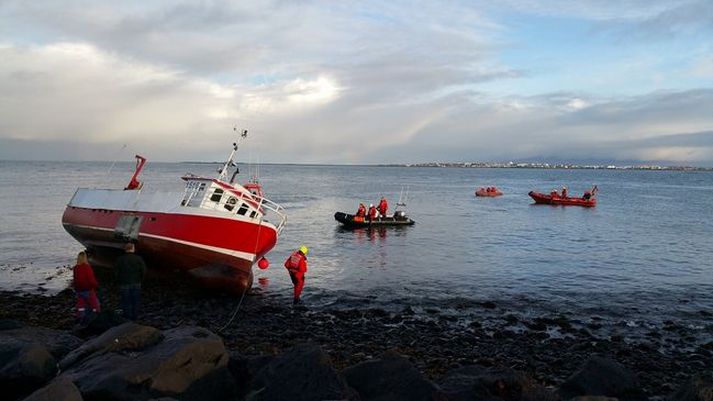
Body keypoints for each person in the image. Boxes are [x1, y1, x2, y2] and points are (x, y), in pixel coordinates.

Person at [115, 242, 147, 320]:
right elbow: (143, 270)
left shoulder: (120, 259)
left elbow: (116, 272)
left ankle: (127, 316)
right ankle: (135, 316)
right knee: (135, 300)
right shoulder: (138, 258)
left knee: (125, 300)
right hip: (136, 282)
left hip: (124, 282)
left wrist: (119, 280)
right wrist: (141, 279)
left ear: (125, 249)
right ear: (133, 249)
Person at [73, 251, 100, 323]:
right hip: (88, 289)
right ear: (85, 258)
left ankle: (80, 317)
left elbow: (75, 279)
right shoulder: (87, 267)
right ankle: (96, 317)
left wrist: (76, 289)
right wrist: (96, 286)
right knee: (95, 304)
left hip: (79, 290)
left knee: (81, 305)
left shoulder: (75, 268)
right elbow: (91, 279)